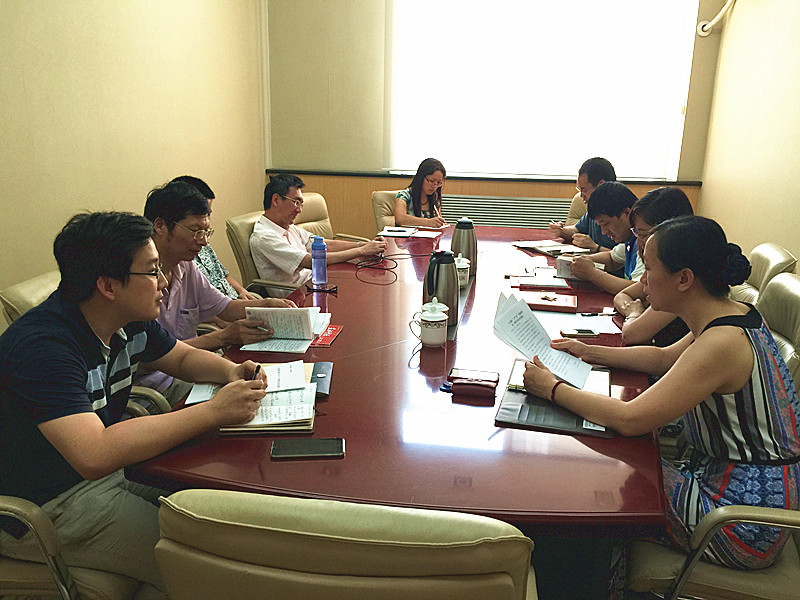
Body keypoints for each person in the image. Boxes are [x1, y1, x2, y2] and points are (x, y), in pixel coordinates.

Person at [0, 212, 269, 597]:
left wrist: (230, 371)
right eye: (152, 271)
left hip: (107, 474)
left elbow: (181, 358)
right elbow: (93, 453)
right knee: (209, 562)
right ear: (109, 286)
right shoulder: (43, 348)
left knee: (224, 513)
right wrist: (213, 411)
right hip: (48, 504)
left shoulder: (127, 318)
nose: (164, 282)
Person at [524, 215, 800, 570]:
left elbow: (631, 419)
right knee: (603, 465)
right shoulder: (733, 315)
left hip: (741, 521)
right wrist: (590, 351)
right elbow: (665, 358)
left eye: (650, 268)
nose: (642, 279)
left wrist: (552, 388)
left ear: (684, 279)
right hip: (725, 484)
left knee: (596, 475)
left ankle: (571, 573)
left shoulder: (723, 343)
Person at [139, 181, 295, 402]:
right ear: (160, 226)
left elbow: (225, 308)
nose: (203, 242)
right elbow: (155, 358)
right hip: (158, 390)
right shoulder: (136, 281)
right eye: (195, 231)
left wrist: (267, 304)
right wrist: (222, 337)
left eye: (206, 232)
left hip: (192, 369)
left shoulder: (186, 266)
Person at [250, 174, 387, 297]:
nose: (299, 210)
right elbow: (312, 261)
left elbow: (323, 244)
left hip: (317, 282)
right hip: (298, 296)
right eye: (296, 202)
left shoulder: (287, 227)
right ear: (276, 200)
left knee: (365, 284)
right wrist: (361, 251)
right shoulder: (264, 237)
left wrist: (364, 245)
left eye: (301, 204)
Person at [613, 187, 694, 346]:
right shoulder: (667, 267)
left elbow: (632, 334)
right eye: (637, 233)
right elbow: (621, 296)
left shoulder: (679, 278)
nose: (639, 241)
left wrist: (634, 313)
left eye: (643, 234)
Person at [171, 175, 256, 301]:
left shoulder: (202, 241)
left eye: (208, 213)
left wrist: (243, 292)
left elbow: (224, 275)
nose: (204, 241)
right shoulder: (182, 256)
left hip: (231, 299)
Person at [568, 181, 642, 295]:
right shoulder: (630, 236)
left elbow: (640, 290)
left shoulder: (646, 240)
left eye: (606, 223)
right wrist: (580, 260)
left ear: (627, 213)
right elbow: (612, 259)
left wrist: (591, 273)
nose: (603, 232)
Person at [548, 157, 616, 252]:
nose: (581, 196)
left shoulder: (622, 212)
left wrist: (594, 247)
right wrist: (561, 231)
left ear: (600, 185)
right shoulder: (595, 209)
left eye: (584, 190)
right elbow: (576, 230)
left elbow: (623, 257)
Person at [393, 157, 447, 228]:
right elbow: (400, 219)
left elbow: (438, 221)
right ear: (421, 178)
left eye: (439, 183)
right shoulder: (404, 196)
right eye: (431, 181)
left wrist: (439, 223)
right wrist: (428, 222)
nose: (435, 186)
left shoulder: (435, 198)